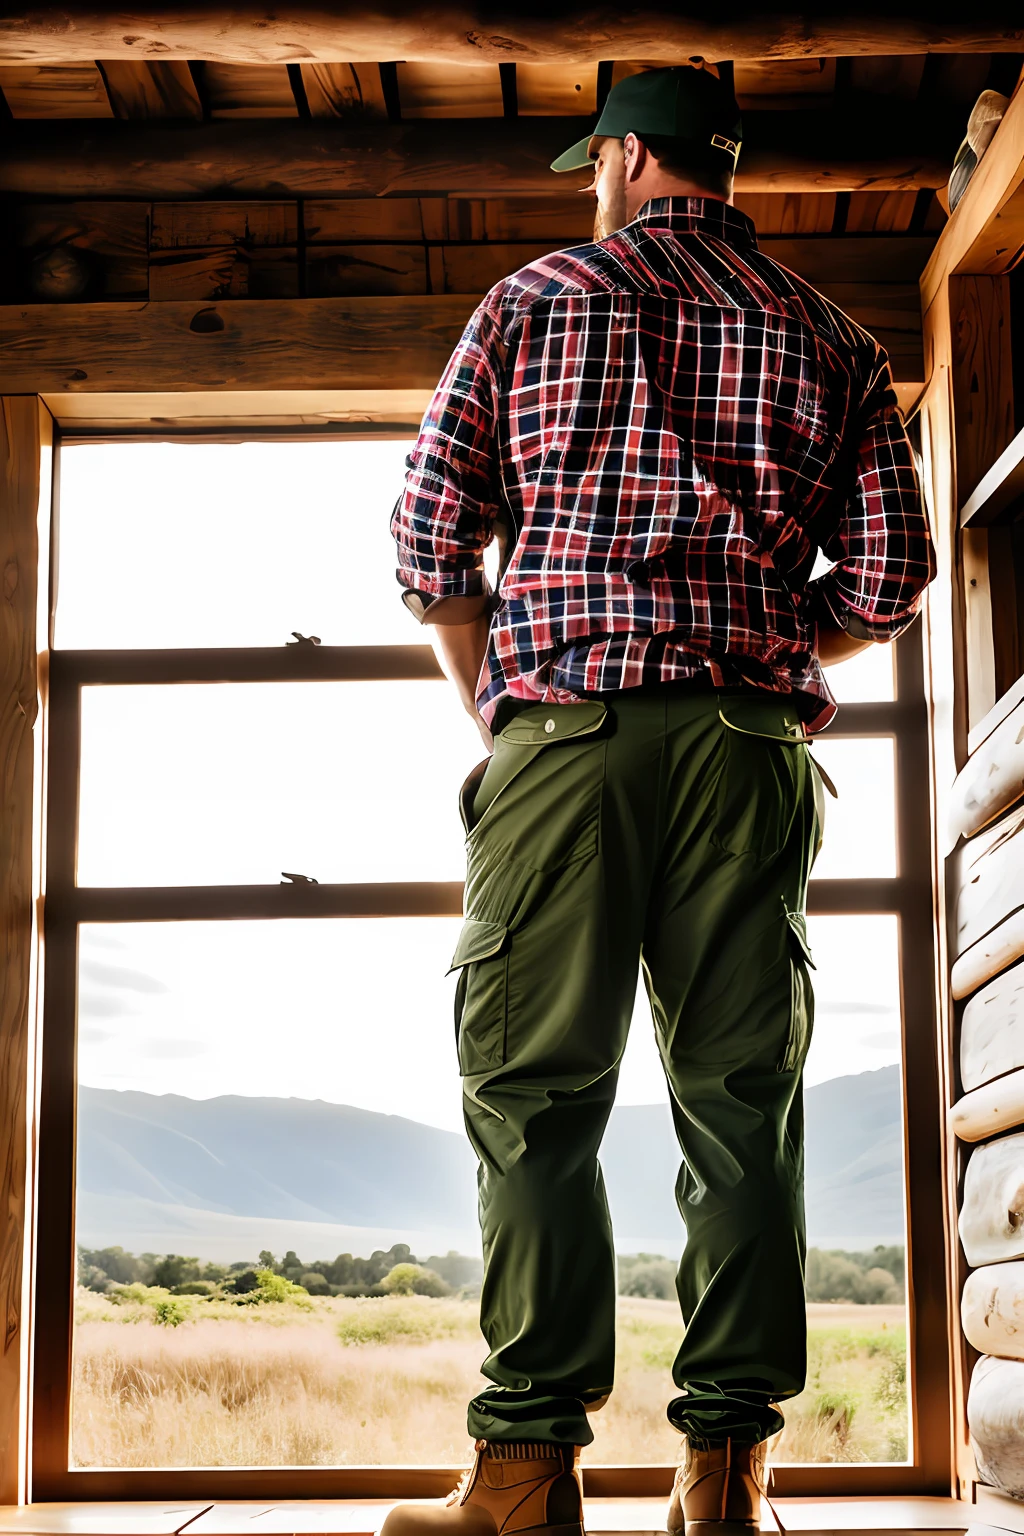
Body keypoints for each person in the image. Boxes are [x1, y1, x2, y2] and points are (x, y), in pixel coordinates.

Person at [383, 64, 935, 1536]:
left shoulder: (531, 301)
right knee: (742, 1107)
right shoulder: (834, 337)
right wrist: (754, 655)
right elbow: (886, 584)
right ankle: (725, 1480)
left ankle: (523, 1474)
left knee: (530, 1096)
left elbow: (433, 536)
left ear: (627, 158)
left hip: (566, 742)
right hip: (749, 756)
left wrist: (501, 706)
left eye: (594, 163)